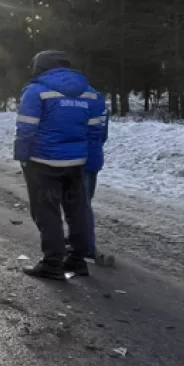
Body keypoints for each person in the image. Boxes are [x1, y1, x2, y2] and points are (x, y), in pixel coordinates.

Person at [14, 50, 100, 279]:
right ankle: (77, 260)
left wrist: (22, 155)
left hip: (43, 161)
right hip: (76, 162)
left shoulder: (36, 91)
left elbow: (26, 128)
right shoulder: (89, 93)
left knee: (47, 211)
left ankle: (53, 264)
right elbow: (95, 131)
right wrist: (89, 159)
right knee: (77, 210)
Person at [84, 92, 115, 266]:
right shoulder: (98, 98)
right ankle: (81, 241)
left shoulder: (70, 97)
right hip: (93, 156)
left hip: (75, 157)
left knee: (78, 206)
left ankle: (86, 247)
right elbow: (103, 133)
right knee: (85, 202)